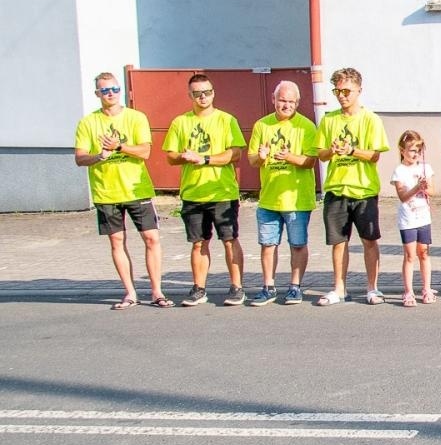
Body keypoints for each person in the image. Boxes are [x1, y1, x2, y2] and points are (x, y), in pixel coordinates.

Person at [73, 72, 167, 309]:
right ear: (97, 94)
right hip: (106, 192)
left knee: (151, 238)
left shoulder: (136, 117)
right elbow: (80, 158)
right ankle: (130, 292)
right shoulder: (88, 122)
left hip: (136, 190)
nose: (111, 94)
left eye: (115, 89)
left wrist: (119, 147)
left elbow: (145, 151)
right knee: (117, 241)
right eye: (105, 90)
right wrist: (99, 156)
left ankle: (157, 291)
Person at [163, 72, 247, 306]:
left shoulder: (226, 120)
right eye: (197, 93)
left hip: (222, 192)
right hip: (193, 193)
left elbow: (236, 153)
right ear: (190, 95)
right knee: (198, 242)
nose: (203, 97)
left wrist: (205, 159)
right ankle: (198, 288)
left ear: (213, 93)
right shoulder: (180, 122)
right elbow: (170, 156)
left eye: (207, 92)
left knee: (229, 239)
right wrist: (184, 156)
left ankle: (237, 287)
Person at [315, 67, 390, 305]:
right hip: (337, 189)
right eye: (337, 91)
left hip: (363, 190)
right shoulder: (329, 119)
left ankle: (373, 288)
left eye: (346, 91)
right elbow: (321, 154)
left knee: (369, 240)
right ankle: (339, 288)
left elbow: (375, 155)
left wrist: (352, 150)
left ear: (359, 90)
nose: (342, 96)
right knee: (338, 242)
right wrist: (331, 150)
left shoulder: (370, 119)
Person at [246, 80, 318, 305]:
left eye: (291, 102)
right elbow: (252, 160)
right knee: (268, 244)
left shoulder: (306, 126)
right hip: (269, 198)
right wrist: (261, 157)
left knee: (298, 244)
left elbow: (310, 161)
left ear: (298, 102)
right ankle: (268, 287)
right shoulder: (262, 125)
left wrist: (288, 157)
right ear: (273, 99)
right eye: (282, 100)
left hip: (296, 199)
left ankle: (295, 287)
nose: (286, 105)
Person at [391, 130, 436, 307]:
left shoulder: (425, 168)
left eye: (418, 150)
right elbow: (402, 196)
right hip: (408, 219)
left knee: (424, 252)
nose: (416, 154)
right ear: (402, 151)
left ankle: (427, 288)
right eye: (412, 150)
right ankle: (408, 291)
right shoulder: (399, 171)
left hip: (423, 217)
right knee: (410, 255)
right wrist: (417, 187)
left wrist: (424, 187)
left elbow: (432, 191)